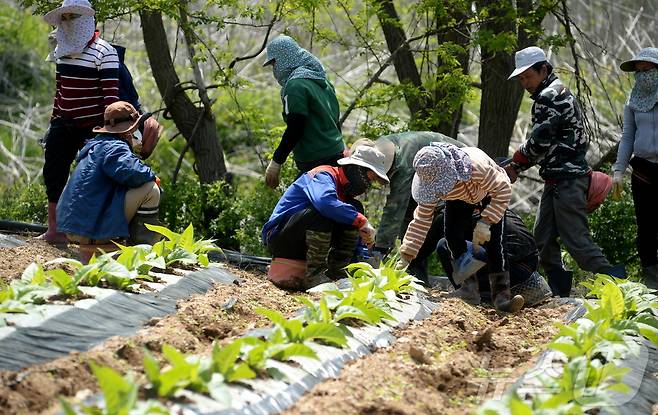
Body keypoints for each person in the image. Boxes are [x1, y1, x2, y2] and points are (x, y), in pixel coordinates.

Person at [505, 46, 625, 296]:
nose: (525, 83)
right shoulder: (556, 92)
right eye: (521, 79)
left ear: (544, 69)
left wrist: (515, 163)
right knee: (542, 239)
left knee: (576, 241)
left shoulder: (549, 96)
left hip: (568, 180)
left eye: (528, 76)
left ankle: (621, 288)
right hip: (558, 178)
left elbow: (540, 141)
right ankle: (559, 291)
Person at [398, 143, 524, 313]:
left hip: (489, 194)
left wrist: (486, 221)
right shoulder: (430, 182)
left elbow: (503, 188)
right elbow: (421, 220)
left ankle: (502, 298)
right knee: (451, 236)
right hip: (458, 197)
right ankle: (469, 289)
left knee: (496, 245)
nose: (437, 192)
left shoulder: (476, 167)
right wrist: (407, 254)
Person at [41, 0, 120, 243]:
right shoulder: (61, 51)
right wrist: (53, 121)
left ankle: (92, 235)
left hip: (92, 128)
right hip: (63, 123)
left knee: (90, 179)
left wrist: (108, 135)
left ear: (85, 19)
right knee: (53, 173)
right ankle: (55, 230)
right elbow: (60, 90)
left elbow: (110, 99)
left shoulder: (104, 52)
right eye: (63, 17)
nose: (67, 23)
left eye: (72, 17)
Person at [262, 146, 389, 290]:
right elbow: (325, 203)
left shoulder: (344, 196)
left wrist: (364, 256)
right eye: (370, 178)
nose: (368, 185)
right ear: (357, 169)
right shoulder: (323, 175)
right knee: (328, 213)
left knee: (353, 209)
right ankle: (315, 276)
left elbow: (347, 217)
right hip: (279, 238)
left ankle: (338, 271)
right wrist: (361, 221)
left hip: (303, 243)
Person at [352, 132, 463, 283]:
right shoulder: (385, 148)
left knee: (434, 224)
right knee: (411, 217)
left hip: (460, 178)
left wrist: (379, 251)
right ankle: (414, 272)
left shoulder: (402, 161)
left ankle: (420, 272)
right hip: (441, 178)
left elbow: (395, 210)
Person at [56, 101, 161, 248]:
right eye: (136, 126)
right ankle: (141, 251)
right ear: (127, 130)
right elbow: (133, 173)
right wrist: (151, 175)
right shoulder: (115, 147)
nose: (138, 131)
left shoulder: (97, 145)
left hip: (74, 227)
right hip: (88, 230)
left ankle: (119, 240)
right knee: (151, 189)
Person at [262, 35, 346, 188]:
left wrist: (276, 162)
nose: (274, 69)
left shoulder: (295, 86)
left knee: (290, 208)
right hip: (337, 154)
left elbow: (296, 127)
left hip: (317, 160)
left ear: (284, 58)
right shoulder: (322, 81)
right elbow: (335, 119)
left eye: (274, 63)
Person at [436, 209, 553, 307]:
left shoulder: (466, 215)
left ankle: (478, 295)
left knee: (445, 245)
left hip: (511, 270)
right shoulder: (498, 206)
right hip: (529, 269)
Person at [611, 47, 658, 289]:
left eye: (647, 70)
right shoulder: (633, 100)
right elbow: (628, 135)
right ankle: (652, 283)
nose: (642, 75)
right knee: (646, 227)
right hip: (642, 170)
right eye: (638, 72)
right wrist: (618, 171)